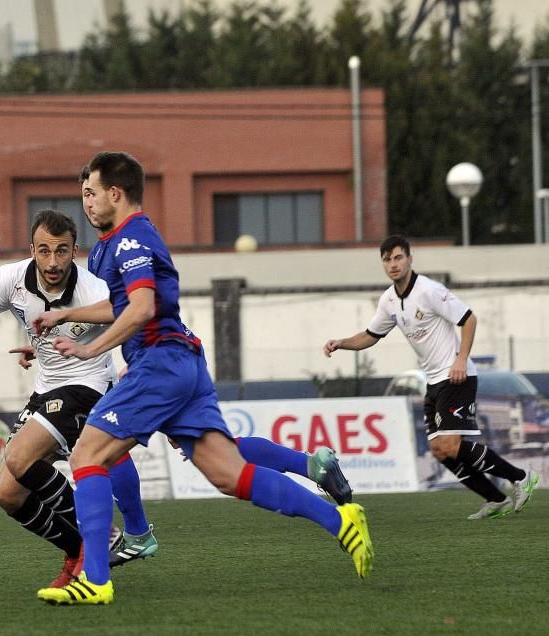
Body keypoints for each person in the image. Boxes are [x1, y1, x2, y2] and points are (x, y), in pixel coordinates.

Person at [33, 151, 372, 606]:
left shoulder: (131, 239)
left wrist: (91, 348)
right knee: (229, 474)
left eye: (91, 193)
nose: (86, 202)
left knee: (88, 455)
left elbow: (142, 307)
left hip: (160, 363)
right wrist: (66, 316)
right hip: (181, 363)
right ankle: (340, 521)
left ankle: (95, 579)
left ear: (116, 193)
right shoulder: (113, 244)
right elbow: (123, 304)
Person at [0, 208, 153, 588]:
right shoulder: (10, 279)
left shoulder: (94, 289)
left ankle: (103, 535)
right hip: (48, 385)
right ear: (32, 249)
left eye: (61, 251)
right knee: (8, 494)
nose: (52, 261)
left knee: (19, 456)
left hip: (90, 384)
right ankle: (76, 549)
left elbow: (133, 312)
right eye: (44, 251)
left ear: (74, 251)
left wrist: (141, 361)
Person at [323, 234, 539, 520]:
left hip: (456, 376)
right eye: (387, 259)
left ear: (410, 259)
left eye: (398, 257)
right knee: (440, 450)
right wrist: (341, 342)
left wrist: (461, 359)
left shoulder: (429, 290)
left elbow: (469, 318)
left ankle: (522, 477)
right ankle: (495, 498)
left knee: (450, 445)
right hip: (434, 382)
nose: (393, 264)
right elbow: (369, 336)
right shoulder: (388, 301)